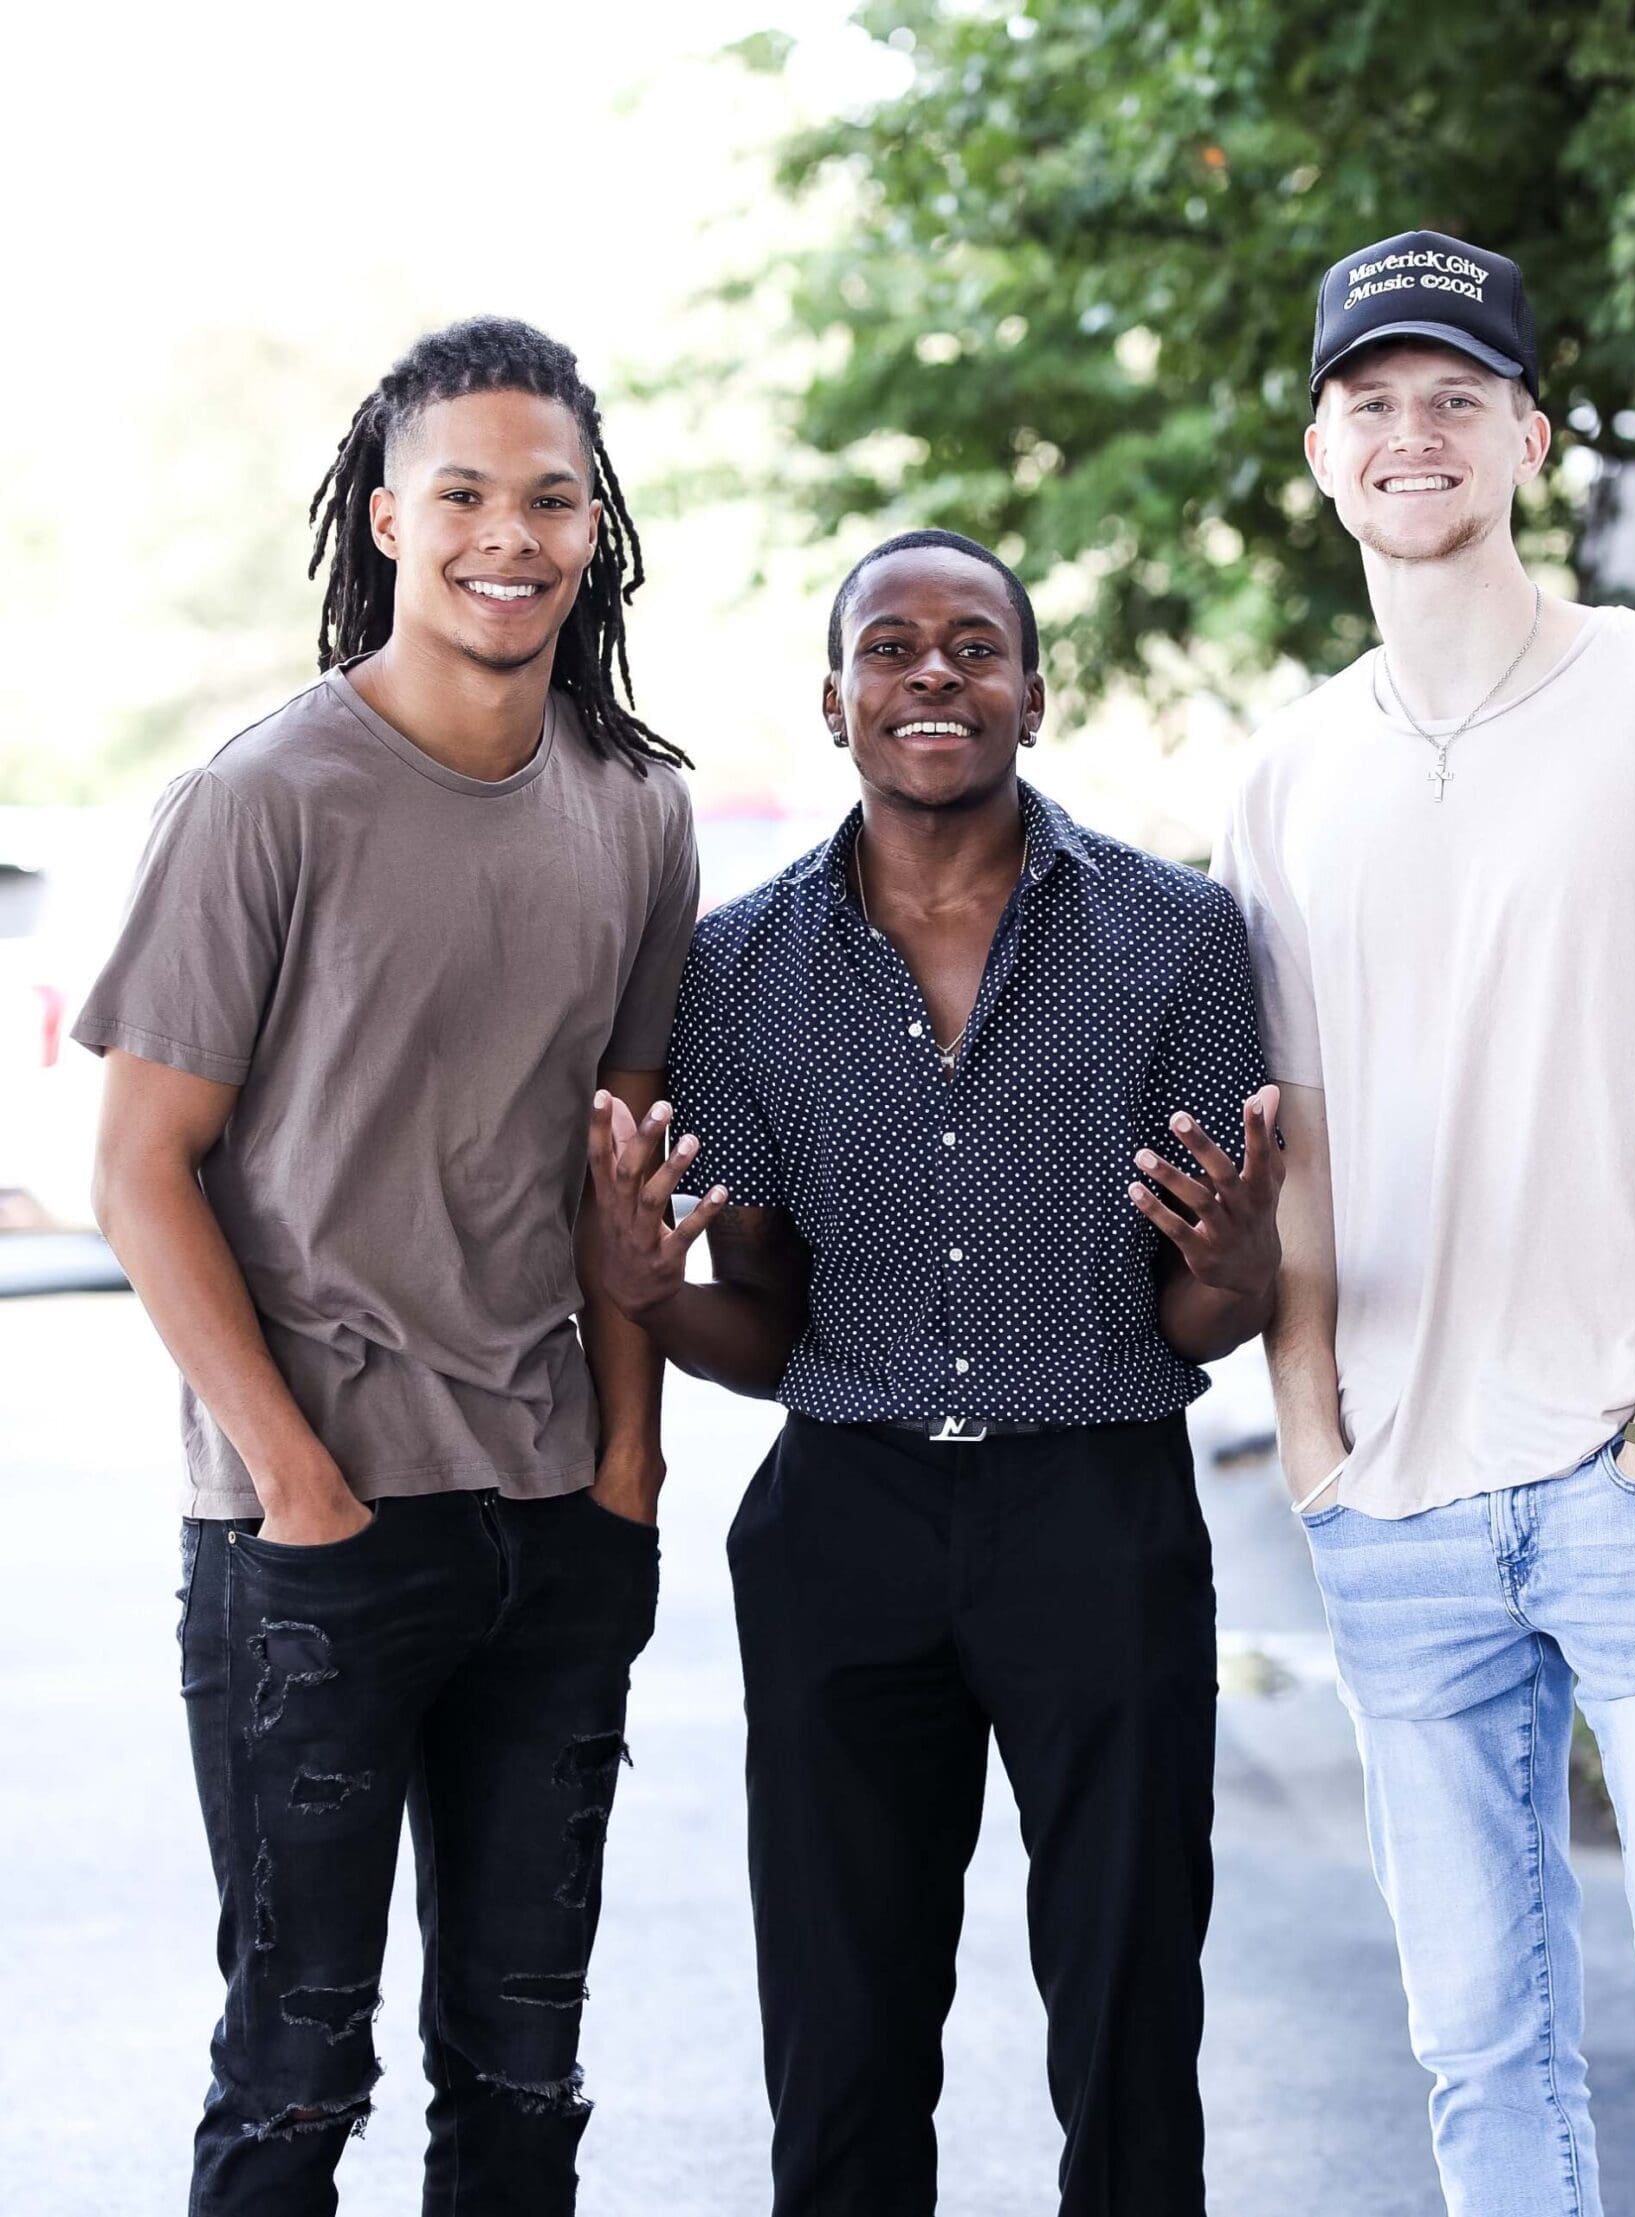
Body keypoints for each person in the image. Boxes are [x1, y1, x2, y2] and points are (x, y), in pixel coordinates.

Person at [1216, 229, 1635, 2215]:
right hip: (1397, 1509)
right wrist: (1313, 1437)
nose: (1413, 433)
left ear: (1528, 440)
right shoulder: (1286, 774)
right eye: (1373, 401)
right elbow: (1296, 1138)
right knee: (1483, 2063)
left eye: (1456, 397)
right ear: (1322, 451)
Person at [76, 317, 697, 2215]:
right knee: (292, 2076)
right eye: (465, 495)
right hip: (314, 1541)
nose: (511, 536)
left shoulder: (637, 805)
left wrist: (627, 1463)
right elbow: (139, 1171)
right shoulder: (266, 795)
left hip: (554, 1518)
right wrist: (296, 1484)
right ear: (385, 517)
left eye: (552, 500)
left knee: (524, 2073)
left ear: (594, 529)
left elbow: (617, 1163)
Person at [587, 527, 1280, 2217]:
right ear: (834, 704)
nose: (933, 675)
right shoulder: (739, 965)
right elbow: (768, 1319)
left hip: (1098, 1511)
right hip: (846, 1521)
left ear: (1034, 694)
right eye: (888, 649)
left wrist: (1241, 1268)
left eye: (974, 645)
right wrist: (649, 1299)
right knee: (842, 2024)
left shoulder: (1179, 936)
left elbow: (1197, 1309)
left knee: (1128, 2002)